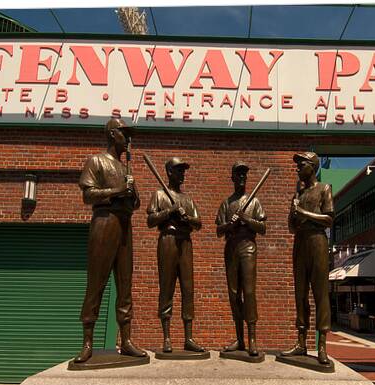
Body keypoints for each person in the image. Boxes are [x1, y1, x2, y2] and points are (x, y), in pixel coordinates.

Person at [75, 118, 147, 362]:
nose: (128, 140)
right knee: (96, 283)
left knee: (125, 284)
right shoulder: (96, 161)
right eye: (124, 134)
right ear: (111, 134)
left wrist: (131, 190)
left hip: (125, 225)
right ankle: (87, 343)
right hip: (104, 223)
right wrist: (117, 192)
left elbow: (136, 204)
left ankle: (125, 340)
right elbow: (88, 195)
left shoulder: (126, 169)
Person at [147, 157, 205, 353]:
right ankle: (167, 337)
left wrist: (186, 217)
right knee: (167, 287)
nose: (183, 174)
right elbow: (151, 220)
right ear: (170, 172)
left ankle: (189, 337)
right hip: (168, 241)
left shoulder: (187, 199)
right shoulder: (159, 195)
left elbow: (198, 223)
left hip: (185, 242)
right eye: (179, 171)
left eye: (184, 171)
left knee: (188, 289)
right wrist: (170, 211)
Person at [281, 152, 334, 364]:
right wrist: (293, 212)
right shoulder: (299, 195)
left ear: (312, 167)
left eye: (301, 165)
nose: (297, 169)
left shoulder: (324, 188)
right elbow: (291, 228)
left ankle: (322, 346)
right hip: (300, 242)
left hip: (317, 242)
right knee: (300, 293)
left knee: (320, 294)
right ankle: (301, 342)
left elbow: (329, 219)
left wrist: (303, 212)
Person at [216, 162, 267, 356]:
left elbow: (262, 228)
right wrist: (229, 224)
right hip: (231, 248)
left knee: (249, 291)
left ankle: (252, 339)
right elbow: (218, 231)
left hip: (248, 246)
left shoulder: (254, 202)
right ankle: (239, 339)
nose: (241, 179)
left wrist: (246, 219)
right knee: (234, 293)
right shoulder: (226, 204)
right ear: (233, 178)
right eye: (238, 176)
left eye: (244, 176)